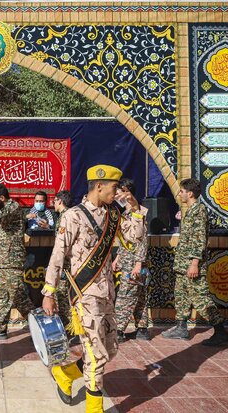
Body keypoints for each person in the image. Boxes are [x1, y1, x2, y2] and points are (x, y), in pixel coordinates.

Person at [42, 164, 147, 412]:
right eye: (114, 187)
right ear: (99, 186)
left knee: (109, 348)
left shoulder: (113, 213)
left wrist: (134, 208)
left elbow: (135, 238)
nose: (118, 192)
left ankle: (66, 374)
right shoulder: (73, 216)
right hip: (84, 294)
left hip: (108, 291)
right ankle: (94, 407)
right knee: (96, 351)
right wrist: (48, 292)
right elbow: (58, 255)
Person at [161, 178, 228, 346]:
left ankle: (220, 331)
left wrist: (194, 263)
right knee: (182, 296)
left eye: (182, 192)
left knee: (200, 299)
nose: (180, 194)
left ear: (190, 193)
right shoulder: (191, 211)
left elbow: (199, 239)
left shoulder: (199, 211)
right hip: (183, 264)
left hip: (191, 264)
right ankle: (181, 328)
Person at [0, 183, 35, 340]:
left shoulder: (13, 206)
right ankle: (0, 329)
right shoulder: (9, 209)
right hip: (5, 261)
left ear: (2, 198)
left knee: (19, 298)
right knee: (4, 296)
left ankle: (42, 325)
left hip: (12, 260)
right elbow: (5, 225)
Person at [113, 178, 150, 343]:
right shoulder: (125, 213)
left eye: (119, 192)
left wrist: (138, 263)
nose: (116, 195)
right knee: (140, 296)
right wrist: (118, 258)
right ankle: (142, 329)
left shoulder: (139, 212)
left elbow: (141, 240)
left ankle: (118, 331)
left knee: (125, 296)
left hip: (135, 262)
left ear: (128, 193)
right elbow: (125, 241)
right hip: (128, 260)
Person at [53, 190, 74, 332]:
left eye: (54, 201)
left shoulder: (66, 217)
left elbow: (64, 245)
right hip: (65, 264)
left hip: (65, 265)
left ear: (59, 201)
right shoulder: (65, 215)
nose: (53, 204)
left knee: (63, 297)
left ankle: (69, 329)